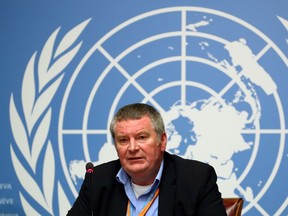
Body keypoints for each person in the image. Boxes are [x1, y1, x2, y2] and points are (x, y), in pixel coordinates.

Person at [67, 103, 227, 216]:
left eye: (141, 137)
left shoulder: (196, 179)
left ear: (162, 141)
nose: (132, 147)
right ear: (116, 146)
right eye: (123, 140)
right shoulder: (97, 180)